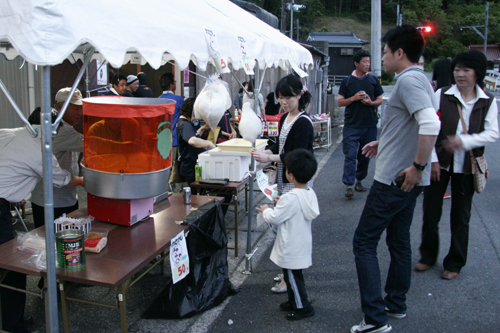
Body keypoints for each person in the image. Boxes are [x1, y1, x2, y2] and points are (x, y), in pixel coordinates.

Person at [351, 25, 441, 333]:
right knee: (398, 239)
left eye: (386, 52)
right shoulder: (419, 78)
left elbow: (430, 123)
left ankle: (375, 319)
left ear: (399, 53)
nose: (383, 58)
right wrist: (383, 142)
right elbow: (413, 124)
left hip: (395, 178)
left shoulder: (409, 80)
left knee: (363, 242)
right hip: (407, 179)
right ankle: (395, 304)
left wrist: (417, 165)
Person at [415, 50, 499, 280]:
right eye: (457, 69)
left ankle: (454, 262)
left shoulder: (487, 101)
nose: (459, 74)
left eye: (466, 70)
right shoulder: (442, 94)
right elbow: (429, 128)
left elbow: (492, 133)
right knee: (430, 213)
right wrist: (431, 160)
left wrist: (465, 141)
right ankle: (427, 255)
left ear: (477, 73)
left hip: (468, 166)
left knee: (461, 216)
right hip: (439, 164)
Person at [0, 110, 83, 333]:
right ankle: (13, 325)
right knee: (10, 266)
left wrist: (10, 192)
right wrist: (86, 181)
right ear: (52, 129)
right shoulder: (40, 150)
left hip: (4, 204)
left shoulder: (9, 133)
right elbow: (62, 179)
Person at [251, 73, 314, 293]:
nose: (284, 102)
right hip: (286, 178)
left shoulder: (303, 122)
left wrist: (269, 158)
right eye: (280, 97)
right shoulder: (286, 118)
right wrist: (267, 152)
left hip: (296, 182)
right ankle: (288, 272)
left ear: (299, 95)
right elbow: (281, 145)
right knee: (283, 230)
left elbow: (295, 154)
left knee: (289, 231)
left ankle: (290, 278)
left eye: (288, 97)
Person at [256, 148, 319, 321]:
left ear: (290, 175)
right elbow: (292, 208)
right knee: (294, 277)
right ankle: (294, 302)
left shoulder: (290, 198)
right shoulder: (308, 193)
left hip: (291, 246)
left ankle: (302, 307)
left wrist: (266, 210)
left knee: (293, 278)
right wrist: (281, 201)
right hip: (301, 243)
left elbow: (275, 218)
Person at [30, 88, 84, 229]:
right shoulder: (60, 130)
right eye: (74, 108)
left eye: (80, 108)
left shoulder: (67, 128)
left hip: (66, 198)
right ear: (60, 107)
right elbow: (95, 145)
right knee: (52, 244)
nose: (79, 112)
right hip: (50, 202)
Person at [337, 50, 384, 197]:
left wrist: (371, 103)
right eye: (365, 62)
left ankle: (359, 180)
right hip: (351, 125)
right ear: (356, 63)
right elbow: (339, 101)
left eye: (369, 62)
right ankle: (348, 184)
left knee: (364, 156)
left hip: (369, 125)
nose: (367, 64)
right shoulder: (347, 81)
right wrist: (354, 98)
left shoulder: (373, 80)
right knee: (350, 154)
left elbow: (380, 99)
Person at [177, 98, 215, 187]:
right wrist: (208, 143)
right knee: (196, 197)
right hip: (190, 168)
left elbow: (193, 135)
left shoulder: (184, 123)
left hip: (191, 166)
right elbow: (192, 140)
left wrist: (202, 129)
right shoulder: (185, 124)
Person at [159, 72, 184, 166]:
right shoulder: (177, 99)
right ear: (171, 85)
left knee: (165, 166)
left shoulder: (158, 100)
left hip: (162, 140)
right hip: (175, 139)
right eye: (175, 82)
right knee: (175, 168)